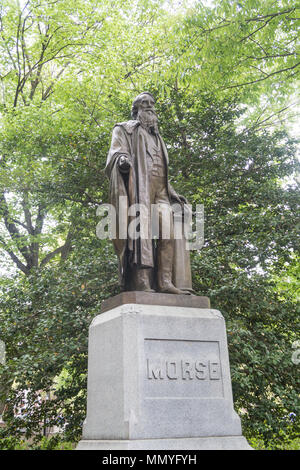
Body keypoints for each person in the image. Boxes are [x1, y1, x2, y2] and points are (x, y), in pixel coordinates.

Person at [105, 92, 193, 294]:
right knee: (140, 235)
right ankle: (142, 282)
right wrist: (122, 161)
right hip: (139, 188)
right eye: (145, 104)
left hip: (161, 192)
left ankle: (165, 282)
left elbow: (162, 169)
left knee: (168, 234)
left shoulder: (158, 137)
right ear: (136, 110)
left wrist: (172, 192)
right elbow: (116, 152)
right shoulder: (124, 129)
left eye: (152, 104)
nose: (150, 107)